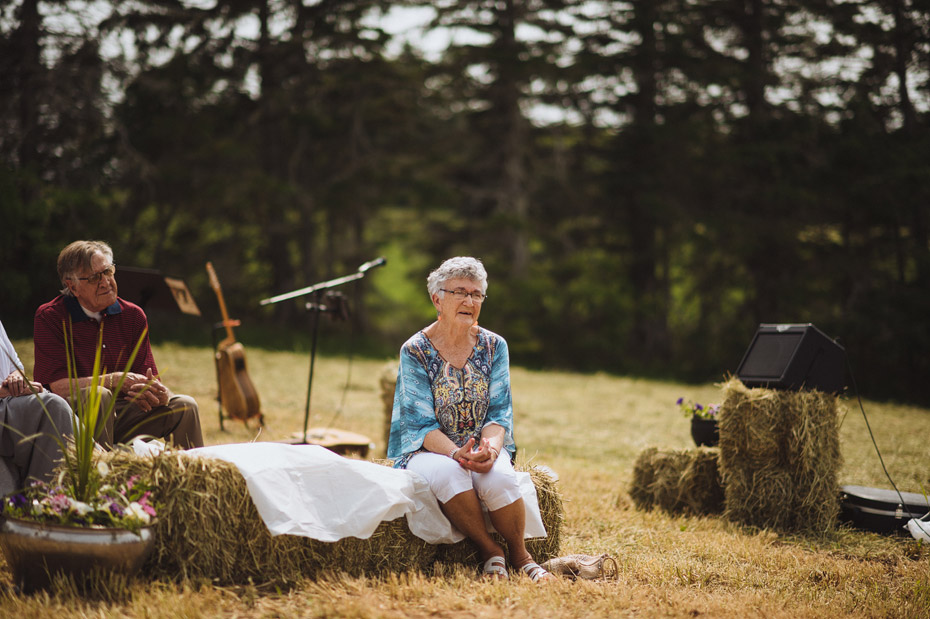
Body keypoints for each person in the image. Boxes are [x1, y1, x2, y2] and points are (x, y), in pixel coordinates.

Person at [387, 256, 552, 583]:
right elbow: (419, 424)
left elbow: (499, 412)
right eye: (460, 292)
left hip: (482, 444)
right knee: (451, 474)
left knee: (501, 478)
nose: (469, 301)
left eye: (476, 294)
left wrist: (490, 450)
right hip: (426, 451)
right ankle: (491, 549)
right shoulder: (415, 350)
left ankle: (522, 556)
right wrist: (455, 453)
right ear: (437, 298)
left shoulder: (494, 346)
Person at [33, 240, 203, 449]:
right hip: (68, 418)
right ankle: (101, 476)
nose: (105, 282)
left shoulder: (133, 315)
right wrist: (113, 380)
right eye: (95, 278)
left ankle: (192, 479)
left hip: (121, 413)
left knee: (185, 406)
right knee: (99, 394)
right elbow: (56, 388)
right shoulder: (50, 317)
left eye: (108, 272)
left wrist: (158, 394)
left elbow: (147, 379)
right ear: (73, 286)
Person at [0, 318, 73, 496]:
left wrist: (17, 379)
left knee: (49, 400)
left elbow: (16, 366)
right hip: (4, 400)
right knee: (52, 406)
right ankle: (45, 499)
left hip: (9, 400)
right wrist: (7, 390)